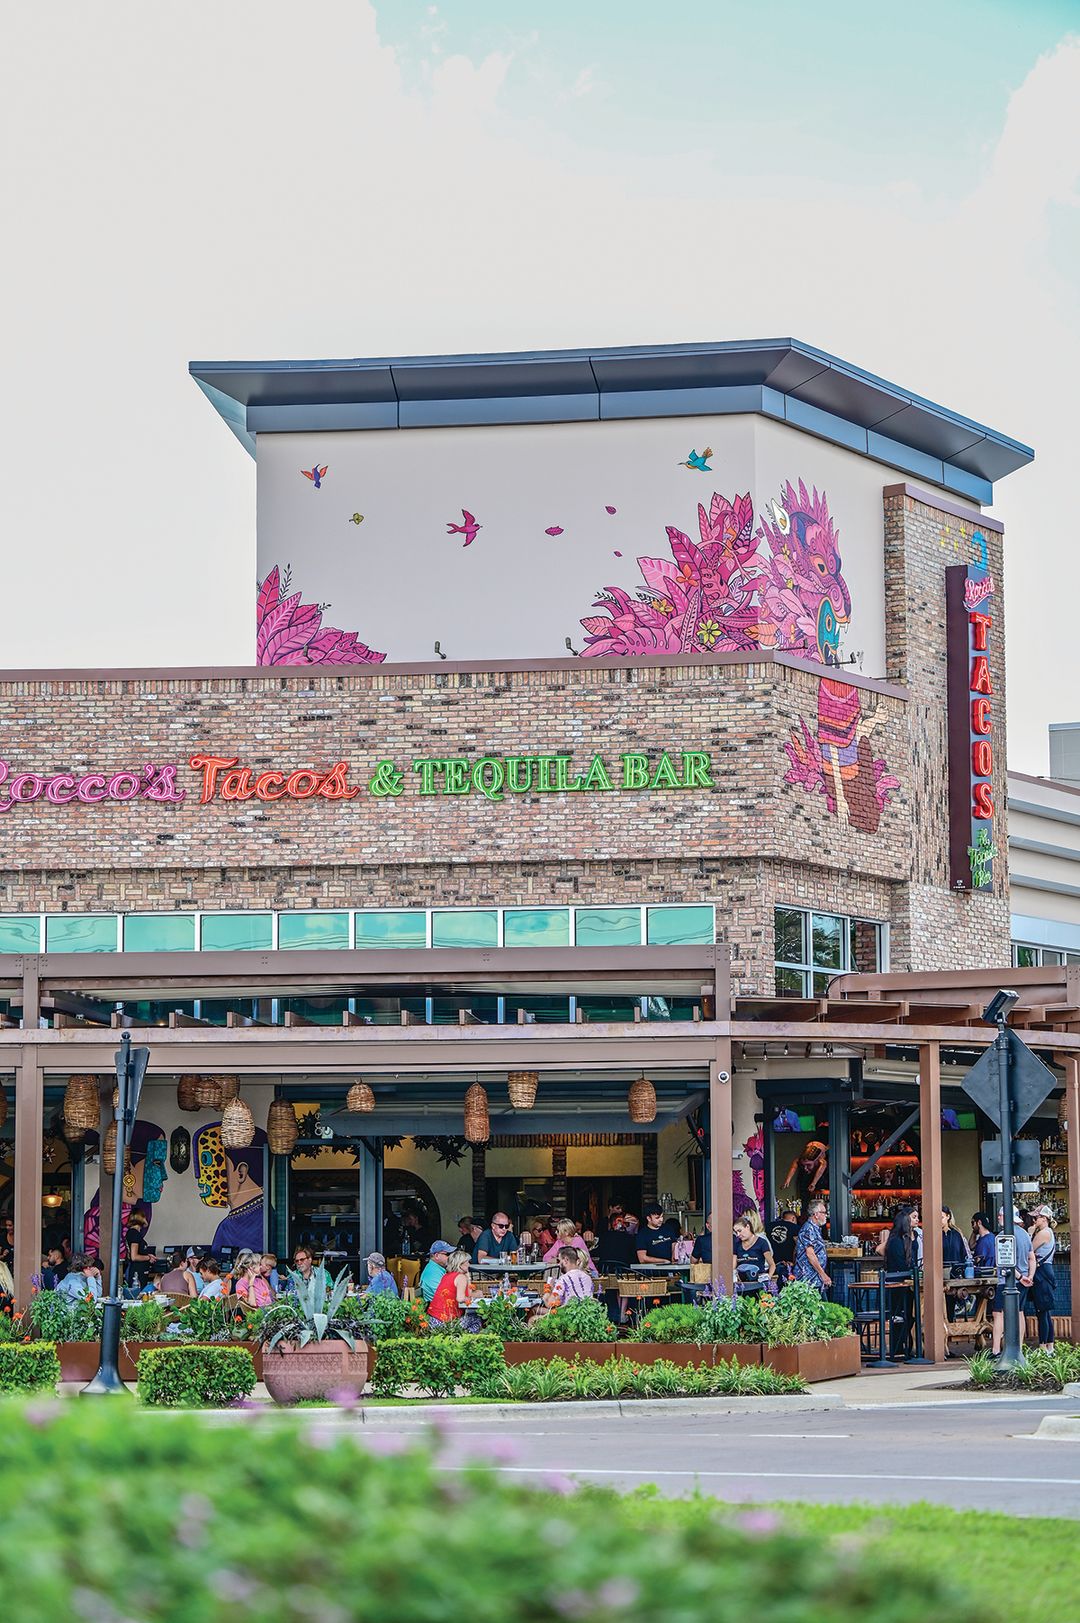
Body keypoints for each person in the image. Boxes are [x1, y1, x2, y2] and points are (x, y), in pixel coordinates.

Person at [991, 1207, 1034, 1356]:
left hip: (1007, 1280)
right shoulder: (1025, 1234)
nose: (998, 1218)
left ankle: (996, 1349)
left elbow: (1005, 1262)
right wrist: (1029, 1276)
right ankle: (1020, 1348)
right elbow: (1032, 1258)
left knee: (999, 1314)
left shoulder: (1003, 1235)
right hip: (1023, 1281)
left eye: (1001, 1215)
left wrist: (1020, 1277)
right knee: (1020, 1312)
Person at [1028, 1204, 1057, 1348]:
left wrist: (1029, 1233)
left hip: (1042, 1272)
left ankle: (1043, 1346)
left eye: (1036, 1217)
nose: (1034, 1220)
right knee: (1045, 1312)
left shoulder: (1044, 1233)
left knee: (1042, 1312)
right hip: (1046, 1271)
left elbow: (1028, 1249)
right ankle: (1049, 1346)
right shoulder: (1048, 1232)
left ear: (1044, 1218)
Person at [793, 1200, 831, 1295]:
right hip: (808, 1279)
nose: (826, 1215)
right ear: (816, 1214)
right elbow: (810, 1255)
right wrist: (823, 1275)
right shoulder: (808, 1229)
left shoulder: (815, 1229)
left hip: (814, 1279)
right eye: (824, 1212)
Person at [428, 1248, 471, 1322]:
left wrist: (468, 1278)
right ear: (460, 1264)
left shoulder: (446, 1276)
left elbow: (468, 1294)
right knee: (476, 1319)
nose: (469, 1264)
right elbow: (460, 1298)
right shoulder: (460, 1277)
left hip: (432, 1319)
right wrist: (469, 1299)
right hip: (445, 1322)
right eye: (467, 1262)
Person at [733, 1216, 775, 1291]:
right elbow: (733, 1266)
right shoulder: (737, 1244)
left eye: (740, 1231)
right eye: (736, 1232)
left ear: (748, 1227)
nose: (738, 1234)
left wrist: (768, 1277)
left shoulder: (761, 1242)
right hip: (742, 1284)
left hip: (758, 1283)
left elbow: (772, 1264)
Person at [123, 1210, 157, 1285]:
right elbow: (134, 1256)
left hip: (137, 1270)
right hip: (137, 1272)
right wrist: (148, 1257)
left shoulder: (132, 1233)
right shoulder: (135, 1234)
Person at [767, 1208, 800, 1282]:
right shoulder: (796, 1228)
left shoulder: (769, 1226)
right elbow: (798, 1246)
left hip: (772, 1264)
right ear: (793, 1218)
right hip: (788, 1264)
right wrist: (795, 1262)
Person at [420, 1240, 454, 1305]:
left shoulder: (437, 1268)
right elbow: (443, 1295)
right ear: (436, 1255)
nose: (450, 1257)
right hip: (438, 1310)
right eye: (447, 1254)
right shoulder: (432, 1272)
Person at [941, 1208, 971, 1277]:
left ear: (948, 1217)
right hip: (940, 1273)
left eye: (942, 1217)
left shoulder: (956, 1234)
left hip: (956, 1272)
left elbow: (964, 1254)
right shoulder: (935, 1234)